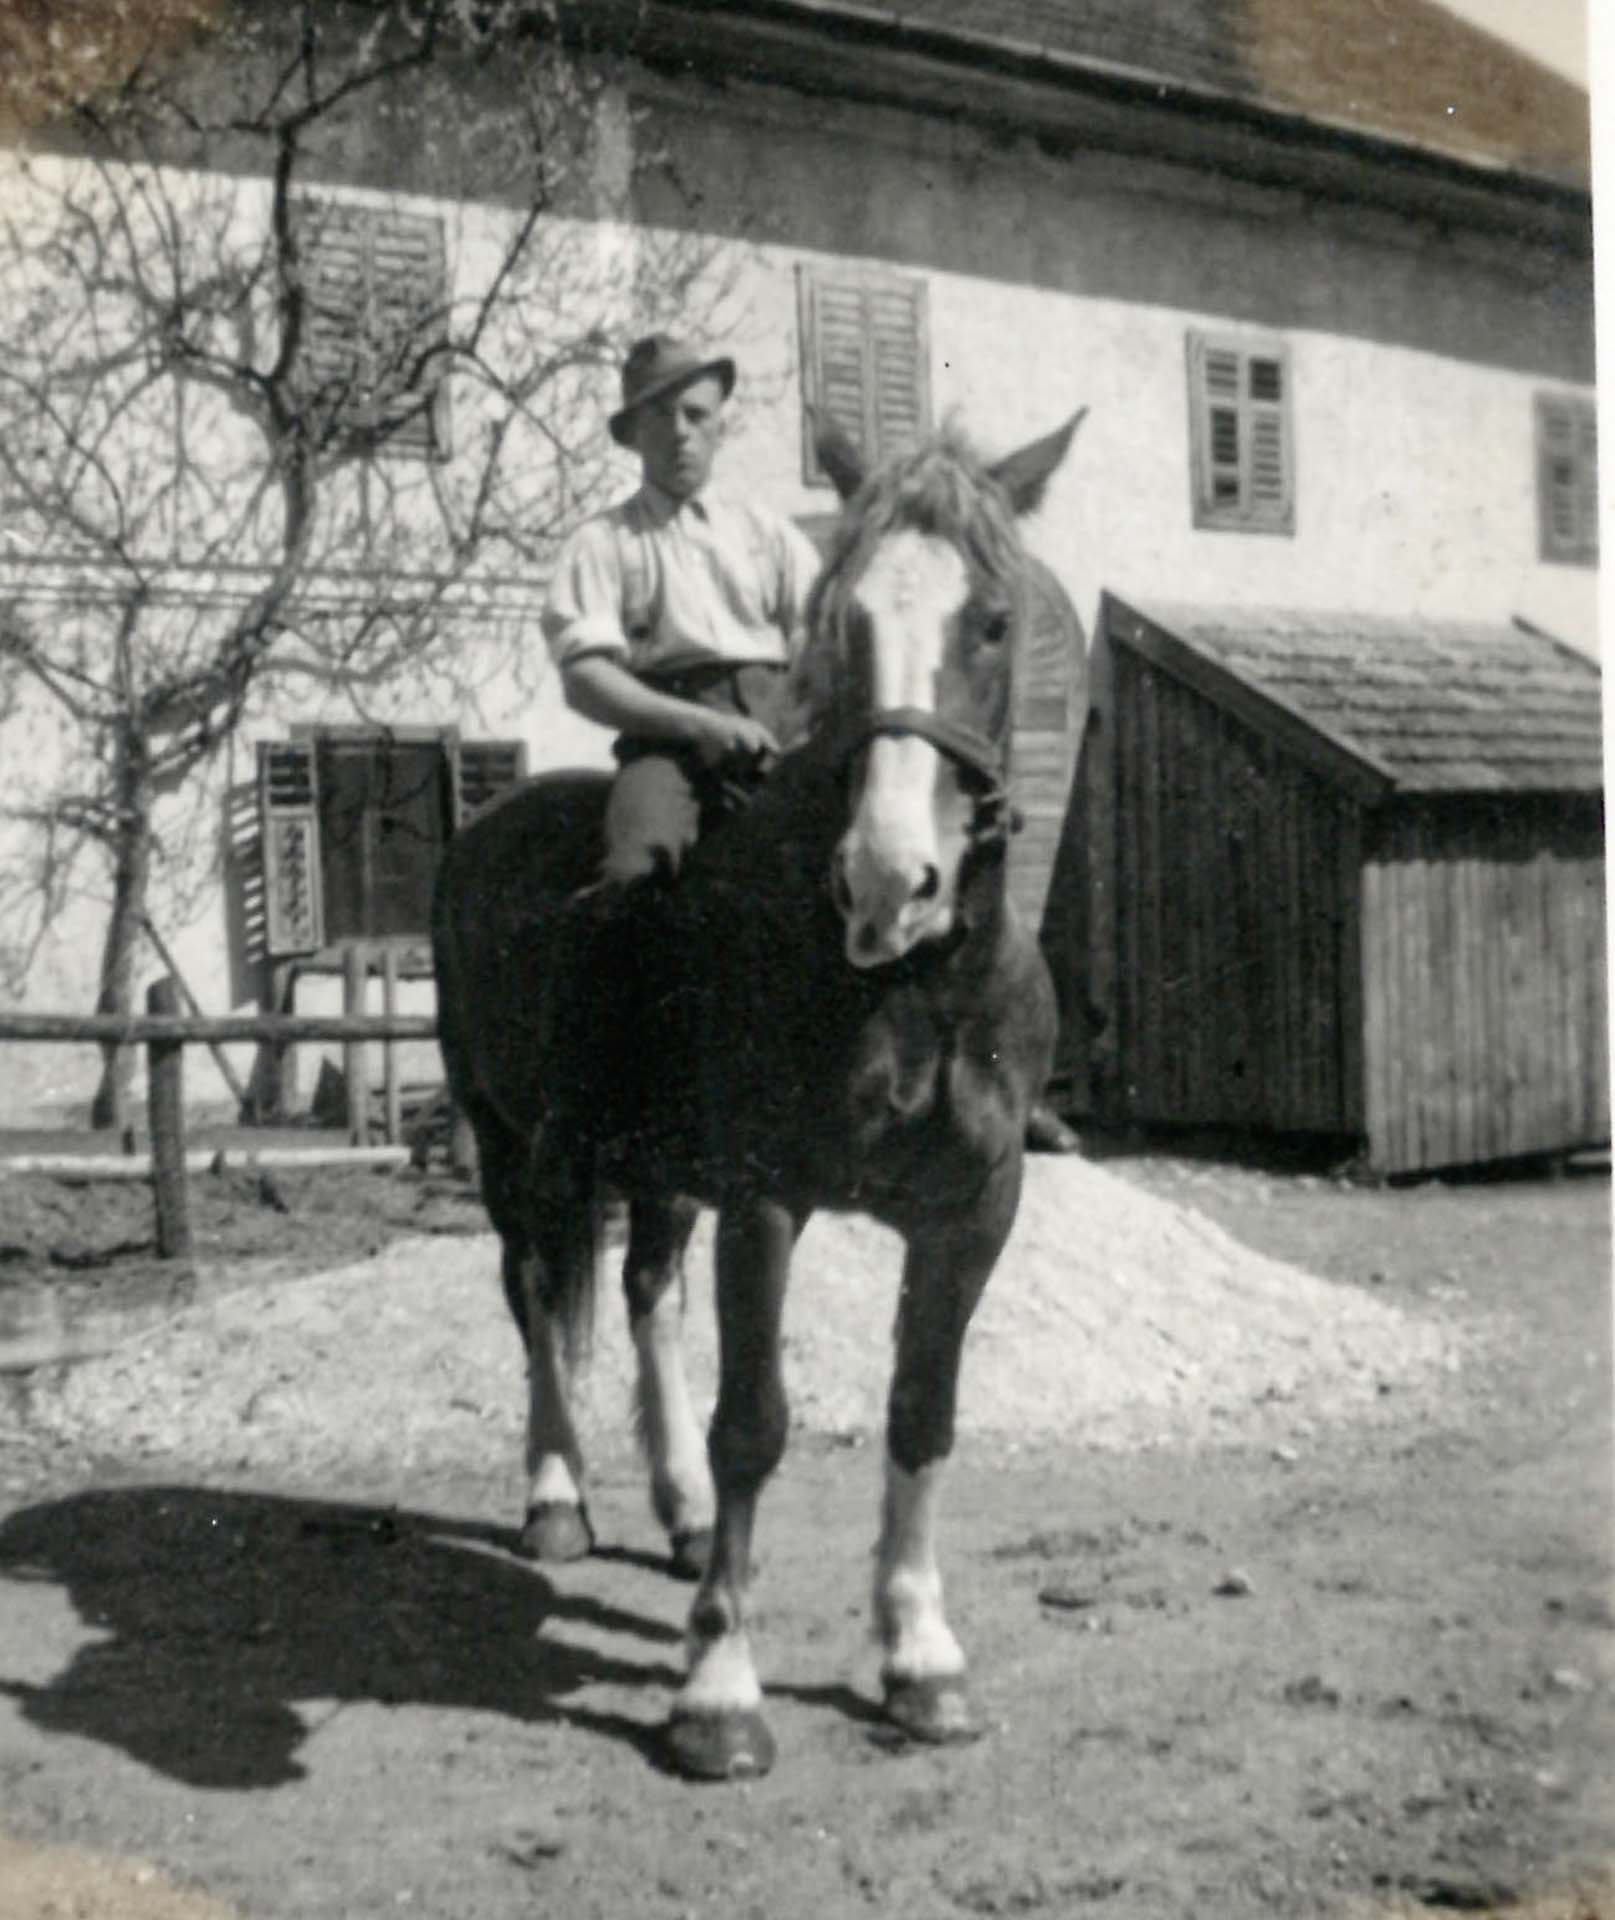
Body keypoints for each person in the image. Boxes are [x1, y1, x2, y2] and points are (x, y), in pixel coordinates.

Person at [543, 333, 822, 887]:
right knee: (634, 872)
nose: (680, 432)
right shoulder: (602, 542)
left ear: (719, 427)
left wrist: (797, 721)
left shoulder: (768, 532)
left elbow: (820, 637)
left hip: (780, 736)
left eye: (696, 415)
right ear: (633, 434)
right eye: (660, 415)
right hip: (667, 748)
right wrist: (700, 724)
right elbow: (585, 678)